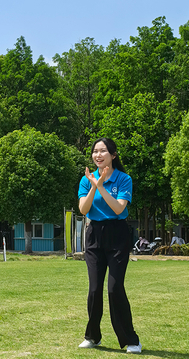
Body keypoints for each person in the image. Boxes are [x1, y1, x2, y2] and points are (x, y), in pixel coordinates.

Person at [77, 138, 141, 354]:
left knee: (114, 289)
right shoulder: (86, 179)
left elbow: (117, 209)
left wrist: (102, 186)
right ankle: (92, 336)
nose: (98, 155)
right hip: (94, 235)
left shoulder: (124, 179)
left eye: (103, 151)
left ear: (113, 155)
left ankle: (131, 340)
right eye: (95, 151)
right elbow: (84, 210)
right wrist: (94, 186)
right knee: (94, 289)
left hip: (117, 235)